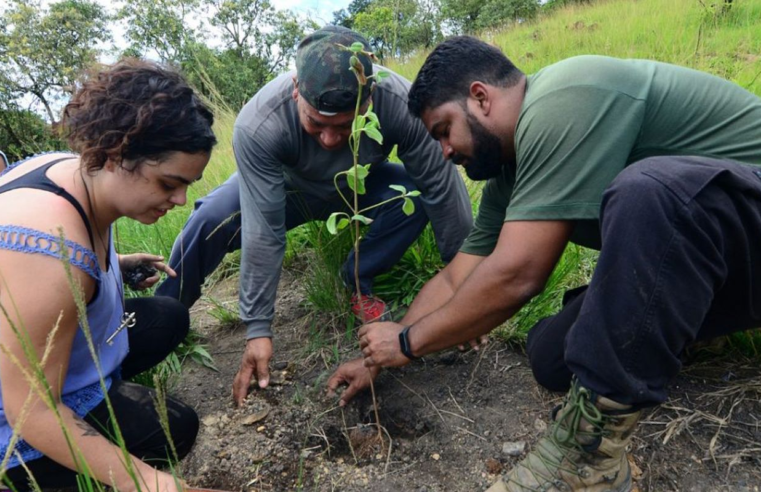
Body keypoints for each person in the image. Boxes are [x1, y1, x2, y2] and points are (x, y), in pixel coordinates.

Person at [330, 36, 761, 491]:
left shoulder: (566, 95)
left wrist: (410, 342)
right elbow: (461, 274)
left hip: (746, 219)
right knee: (553, 356)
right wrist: (378, 358)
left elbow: (519, 275)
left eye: (443, 130)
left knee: (648, 190)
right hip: (718, 263)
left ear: (480, 97)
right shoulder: (509, 173)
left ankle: (586, 462)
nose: (445, 152)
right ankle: (677, 332)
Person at [154, 26, 473, 406]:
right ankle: (164, 315)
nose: (329, 139)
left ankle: (357, 277)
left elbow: (441, 187)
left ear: (369, 102)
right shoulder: (260, 123)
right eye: (316, 123)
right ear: (295, 92)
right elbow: (265, 231)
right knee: (211, 219)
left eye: (343, 126)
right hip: (285, 190)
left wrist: (467, 292)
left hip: (357, 188)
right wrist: (258, 328)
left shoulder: (401, 102)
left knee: (416, 195)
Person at [0, 59, 216, 490]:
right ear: (117, 154)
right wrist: (155, 483)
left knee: (168, 316)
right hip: (17, 414)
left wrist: (113, 266)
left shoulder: (73, 169)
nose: (180, 199)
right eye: (168, 182)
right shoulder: (48, 251)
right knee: (175, 428)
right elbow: (32, 411)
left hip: (63, 346)